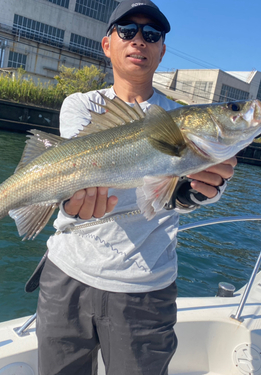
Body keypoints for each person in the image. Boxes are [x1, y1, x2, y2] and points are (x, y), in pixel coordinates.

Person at [32, 1, 236, 374]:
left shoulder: (181, 117)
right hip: (68, 275)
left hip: (146, 289)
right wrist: (67, 204)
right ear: (107, 44)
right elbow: (74, 176)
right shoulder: (81, 105)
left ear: (161, 52)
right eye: (127, 31)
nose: (139, 40)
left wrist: (201, 189)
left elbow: (188, 191)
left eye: (151, 35)